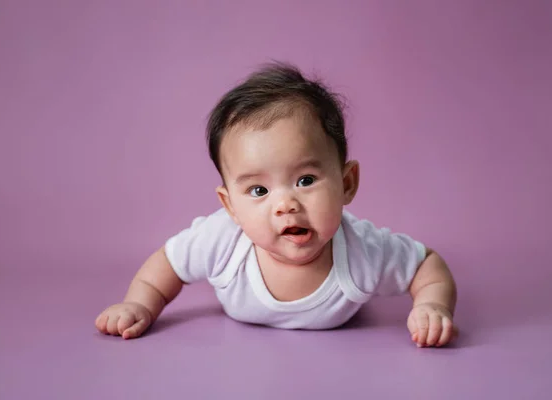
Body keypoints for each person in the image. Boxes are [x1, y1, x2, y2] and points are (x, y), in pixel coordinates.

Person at [95, 62, 458, 347]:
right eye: (258, 191)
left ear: (346, 184)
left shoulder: (363, 252)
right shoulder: (222, 240)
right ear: (230, 205)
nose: (286, 204)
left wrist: (432, 306)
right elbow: (166, 267)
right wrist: (140, 304)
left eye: (305, 181)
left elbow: (427, 265)